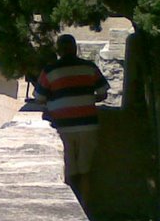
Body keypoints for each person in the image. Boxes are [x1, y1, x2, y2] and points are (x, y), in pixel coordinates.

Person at [33, 34, 108, 206]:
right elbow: (102, 93)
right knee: (85, 171)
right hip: (88, 125)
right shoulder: (89, 67)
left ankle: (70, 208)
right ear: (75, 48)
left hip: (63, 128)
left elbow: (39, 98)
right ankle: (85, 208)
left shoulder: (50, 71)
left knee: (68, 172)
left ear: (58, 50)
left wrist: (60, 101)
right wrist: (84, 99)